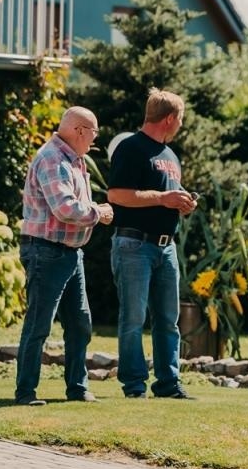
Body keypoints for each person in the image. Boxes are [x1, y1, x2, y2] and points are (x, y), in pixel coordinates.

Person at [15, 107, 113, 406]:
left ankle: (77, 388)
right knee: (39, 324)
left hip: (70, 253)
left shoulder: (74, 161)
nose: (94, 140)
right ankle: (25, 392)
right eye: (93, 133)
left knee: (80, 323)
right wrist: (100, 212)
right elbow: (66, 209)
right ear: (79, 130)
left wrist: (92, 208)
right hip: (46, 251)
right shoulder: (52, 159)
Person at [107, 88, 198, 399]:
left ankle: (168, 384)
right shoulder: (130, 148)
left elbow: (165, 196)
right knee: (133, 318)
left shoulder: (170, 155)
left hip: (166, 247)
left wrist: (182, 202)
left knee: (168, 321)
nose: (181, 126)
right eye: (181, 120)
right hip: (134, 246)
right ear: (170, 118)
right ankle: (134, 386)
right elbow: (116, 195)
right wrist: (163, 198)